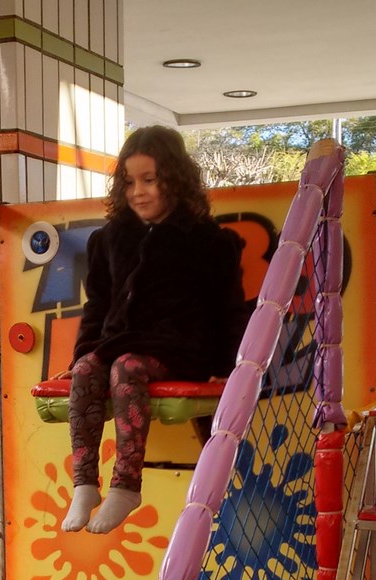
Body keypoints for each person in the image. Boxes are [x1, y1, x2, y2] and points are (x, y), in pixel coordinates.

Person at [62, 125, 246, 534]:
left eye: (149, 180)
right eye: (129, 182)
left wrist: (225, 366)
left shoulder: (207, 240)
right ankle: (84, 483)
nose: (138, 192)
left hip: (180, 347)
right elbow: (97, 306)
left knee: (126, 367)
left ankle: (126, 485)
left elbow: (228, 309)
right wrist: (81, 354)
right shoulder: (111, 239)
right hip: (121, 341)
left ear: (174, 180)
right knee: (88, 368)